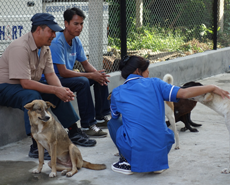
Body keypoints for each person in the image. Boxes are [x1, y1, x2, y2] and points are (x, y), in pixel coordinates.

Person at [107, 55, 230, 175]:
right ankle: (156, 160)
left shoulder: (117, 93)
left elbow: (115, 116)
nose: (149, 73)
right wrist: (212, 87)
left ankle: (126, 161)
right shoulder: (156, 83)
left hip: (135, 147)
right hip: (161, 149)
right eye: (147, 70)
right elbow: (185, 93)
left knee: (113, 123)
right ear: (138, 71)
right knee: (164, 131)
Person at [0, 13, 97, 160]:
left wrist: (61, 91)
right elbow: (25, 83)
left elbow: (51, 75)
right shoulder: (20, 47)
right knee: (33, 98)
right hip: (6, 87)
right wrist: (56, 89)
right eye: (51, 31)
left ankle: (73, 131)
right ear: (39, 30)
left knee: (56, 93)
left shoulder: (45, 48)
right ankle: (36, 146)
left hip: (26, 86)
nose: (54, 35)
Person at [48, 7, 111, 137]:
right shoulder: (57, 41)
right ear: (66, 23)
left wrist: (98, 75)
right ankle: (88, 125)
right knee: (83, 82)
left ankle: (102, 116)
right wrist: (90, 75)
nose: (79, 27)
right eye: (76, 24)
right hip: (53, 79)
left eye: (81, 24)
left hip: (65, 77)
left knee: (100, 77)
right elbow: (63, 72)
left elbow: (86, 64)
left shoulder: (76, 40)